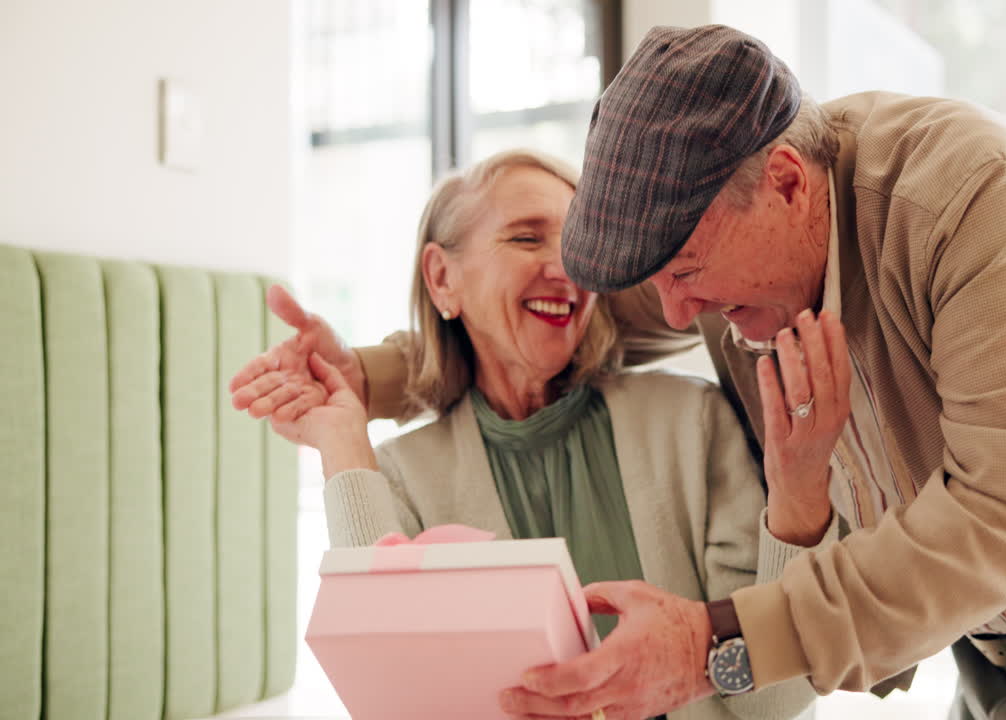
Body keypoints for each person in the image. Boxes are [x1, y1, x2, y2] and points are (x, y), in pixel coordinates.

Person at [240, 25, 1006, 720]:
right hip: (999, 658)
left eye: (685, 272)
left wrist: (709, 642)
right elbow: (566, 321)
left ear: (782, 181)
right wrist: (368, 382)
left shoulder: (977, 202)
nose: (675, 317)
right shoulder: (737, 258)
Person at [230, 149, 821, 720]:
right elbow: (398, 694)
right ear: (442, 279)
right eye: (526, 237)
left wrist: (799, 494)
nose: (565, 267)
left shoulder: (691, 422)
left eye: (579, 246)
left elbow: (773, 702)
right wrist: (341, 441)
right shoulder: (401, 478)